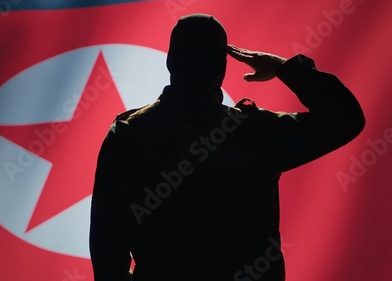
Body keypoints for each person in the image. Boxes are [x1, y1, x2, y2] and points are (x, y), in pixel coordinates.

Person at [89, 13, 365, 281]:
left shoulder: (128, 133)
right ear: (221, 67)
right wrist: (284, 67)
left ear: (171, 61)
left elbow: (106, 241)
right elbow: (344, 117)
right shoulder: (255, 132)